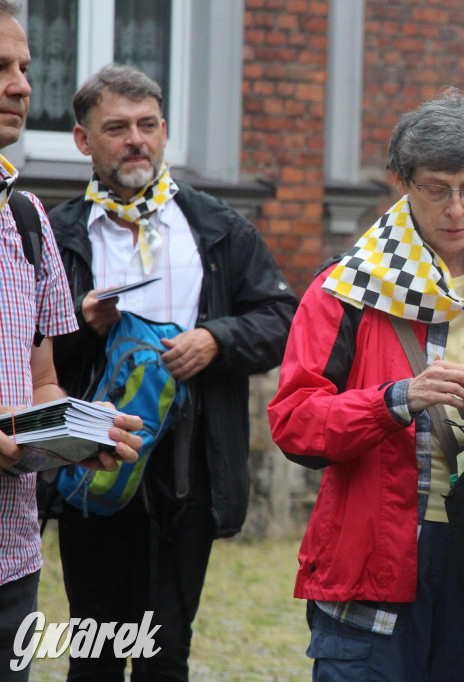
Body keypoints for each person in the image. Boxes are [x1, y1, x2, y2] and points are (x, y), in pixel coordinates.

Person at [47, 64, 297, 680]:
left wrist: (217, 337)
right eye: (117, 128)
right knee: (96, 646)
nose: (136, 140)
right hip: (94, 457)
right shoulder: (54, 232)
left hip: (189, 466)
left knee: (167, 652)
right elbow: (21, 343)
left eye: (148, 125)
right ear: (83, 141)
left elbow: (283, 318)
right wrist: (82, 323)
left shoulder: (217, 226)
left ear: (164, 131)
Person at [267, 90, 464, 681]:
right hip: (375, 551)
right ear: (402, 181)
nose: (457, 209)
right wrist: (396, 400)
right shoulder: (345, 286)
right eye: (436, 188)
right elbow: (295, 422)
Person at [0, 7, 142, 680]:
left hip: (11, 558)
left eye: (25, 67)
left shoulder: (26, 222)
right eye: (1, 68)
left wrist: (80, 433)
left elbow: (41, 382)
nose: (23, 86)